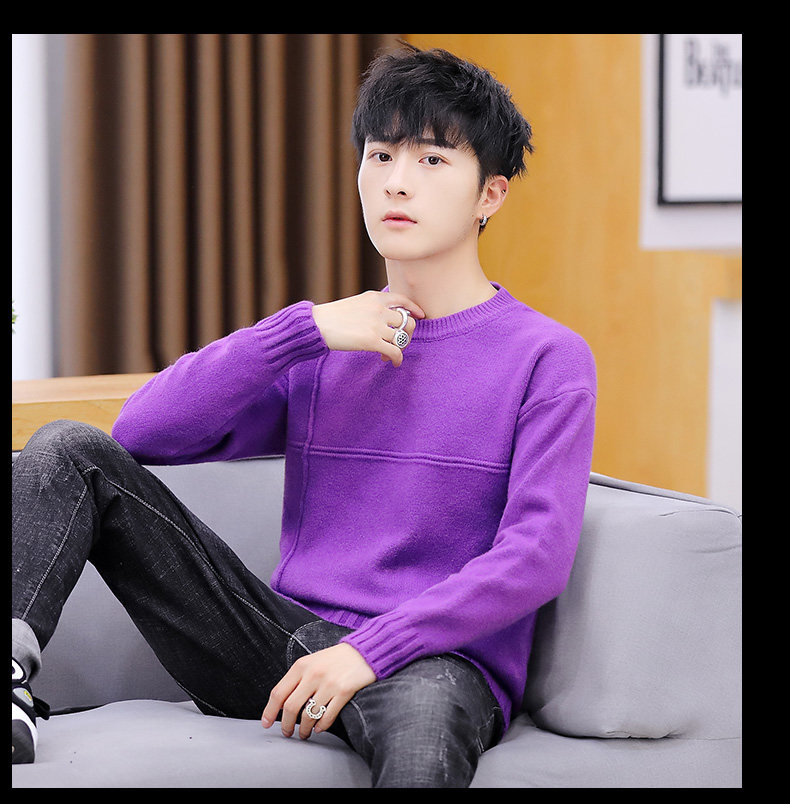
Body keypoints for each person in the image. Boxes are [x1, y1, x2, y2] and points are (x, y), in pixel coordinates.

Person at [12, 43, 596, 787]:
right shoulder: (331, 342)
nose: (397, 182)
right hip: (283, 647)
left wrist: (370, 651)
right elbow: (142, 433)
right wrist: (305, 329)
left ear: (491, 195)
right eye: (380, 156)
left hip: (431, 662)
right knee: (68, 449)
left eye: (432, 160)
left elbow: (536, 555)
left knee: (424, 739)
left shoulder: (548, 357)